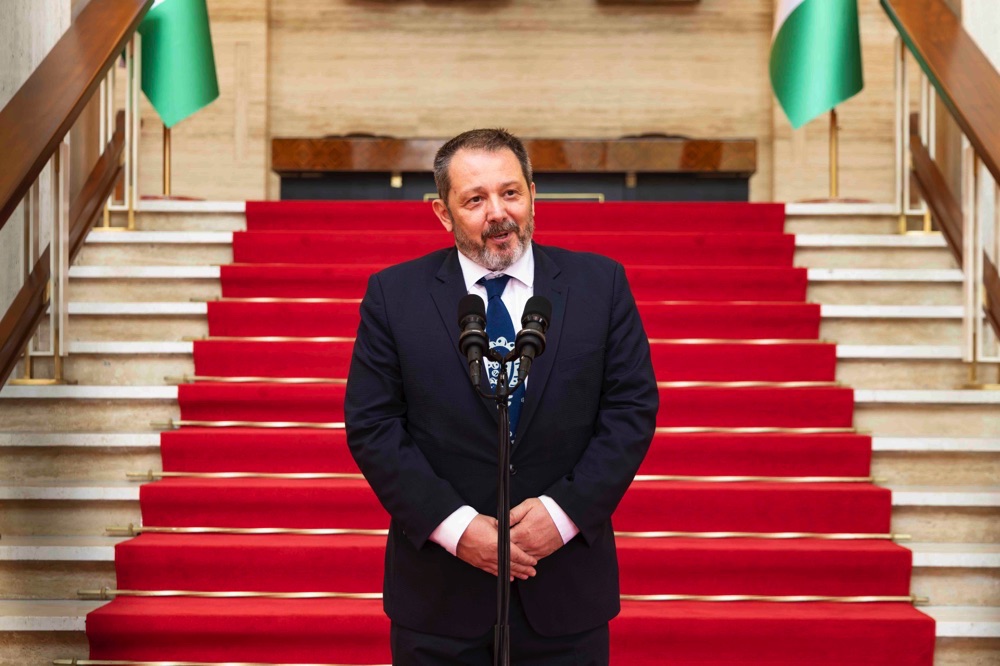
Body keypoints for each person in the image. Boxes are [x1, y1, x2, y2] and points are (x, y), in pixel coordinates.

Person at [345, 128, 658, 665]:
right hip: (439, 599)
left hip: (565, 593)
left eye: (510, 192)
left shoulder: (600, 285)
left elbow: (631, 411)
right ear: (443, 214)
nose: (498, 213)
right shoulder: (394, 296)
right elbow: (374, 426)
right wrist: (457, 528)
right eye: (475, 199)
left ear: (532, 194)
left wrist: (562, 515)